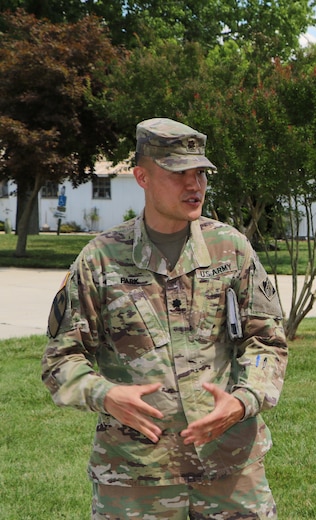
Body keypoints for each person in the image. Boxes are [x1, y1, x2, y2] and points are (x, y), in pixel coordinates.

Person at [42, 118, 288, 519]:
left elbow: (267, 342)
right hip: (136, 475)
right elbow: (60, 360)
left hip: (229, 468)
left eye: (200, 174)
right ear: (142, 177)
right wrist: (105, 394)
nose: (194, 186)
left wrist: (244, 400)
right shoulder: (101, 259)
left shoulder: (230, 249)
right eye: (178, 174)